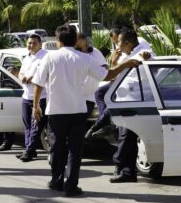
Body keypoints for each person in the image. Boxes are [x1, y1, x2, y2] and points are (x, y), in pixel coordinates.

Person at [31, 25, 140, 197]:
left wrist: (35, 106)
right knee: (75, 149)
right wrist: (125, 64)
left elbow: (38, 83)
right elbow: (107, 75)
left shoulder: (50, 58)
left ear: (58, 41)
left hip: (57, 111)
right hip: (78, 110)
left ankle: (56, 181)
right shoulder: (84, 58)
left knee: (57, 148)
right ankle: (71, 186)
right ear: (75, 41)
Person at [109, 28, 154, 183]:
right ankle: (128, 172)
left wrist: (147, 58)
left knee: (126, 137)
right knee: (127, 137)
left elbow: (148, 57)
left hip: (135, 103)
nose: (118, 46)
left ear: (127, 42)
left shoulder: (143, 52)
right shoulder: (128, 55)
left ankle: (119, 163)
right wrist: (115, 62)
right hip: (124, 102)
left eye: (119, 43)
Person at [16, 34, 48, 162]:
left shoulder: (45, 56)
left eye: (34, 43)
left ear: (40, 44)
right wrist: (22, 77)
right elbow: (20, 72)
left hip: (41, 97)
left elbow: (44, 75)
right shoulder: (27, 58)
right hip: (26, 96)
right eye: (29, 43)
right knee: (27, 125)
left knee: (36, 125)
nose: (31, 45)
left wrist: (32, 78)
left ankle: (29, 151)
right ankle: (30, 149)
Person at [74, 33, 108, 117]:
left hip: (89, 97)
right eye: (80, 48)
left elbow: (105, 68)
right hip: (75, 97)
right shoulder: (72, 55)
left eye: (85, 46)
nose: (84, 49)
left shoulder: (95, 52)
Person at [0, 67, 19, 152]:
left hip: (12, 102)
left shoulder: (17, 81)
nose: (9, 75)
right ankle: (0, 140)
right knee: (0, 121)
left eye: (12, 73)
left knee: (8, 124)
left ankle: (7, 142)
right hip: (2, 101)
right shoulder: (4, 81)